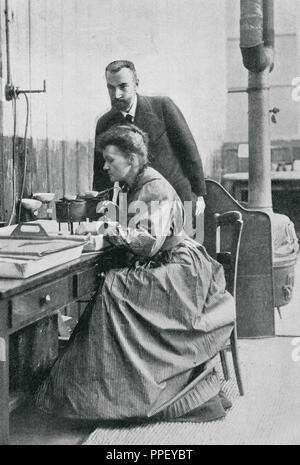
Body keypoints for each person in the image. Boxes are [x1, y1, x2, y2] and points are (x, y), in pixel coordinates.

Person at [35, 124, 235, 423]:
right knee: (115, 285)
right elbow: (142, 229)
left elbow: (148, 244)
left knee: (114, 289)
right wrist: (114, 216)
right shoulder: (137, 184)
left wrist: (109, 227)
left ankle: (119, 393)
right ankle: (104, 386)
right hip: (168, 263)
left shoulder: (154, 187)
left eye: (110, 160)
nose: (105, 166)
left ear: (131, 159)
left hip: (180, 269)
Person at [93, 60, 206, 233]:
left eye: (123, 86)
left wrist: (198, 195)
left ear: (136, 84)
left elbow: (188, 150)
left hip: (175, 197)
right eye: (110, 87)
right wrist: (101, 210)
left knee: (177, 249)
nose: (116, 94)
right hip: (135, 204)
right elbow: (101, 174)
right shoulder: (105, 123)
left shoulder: (162, 106)